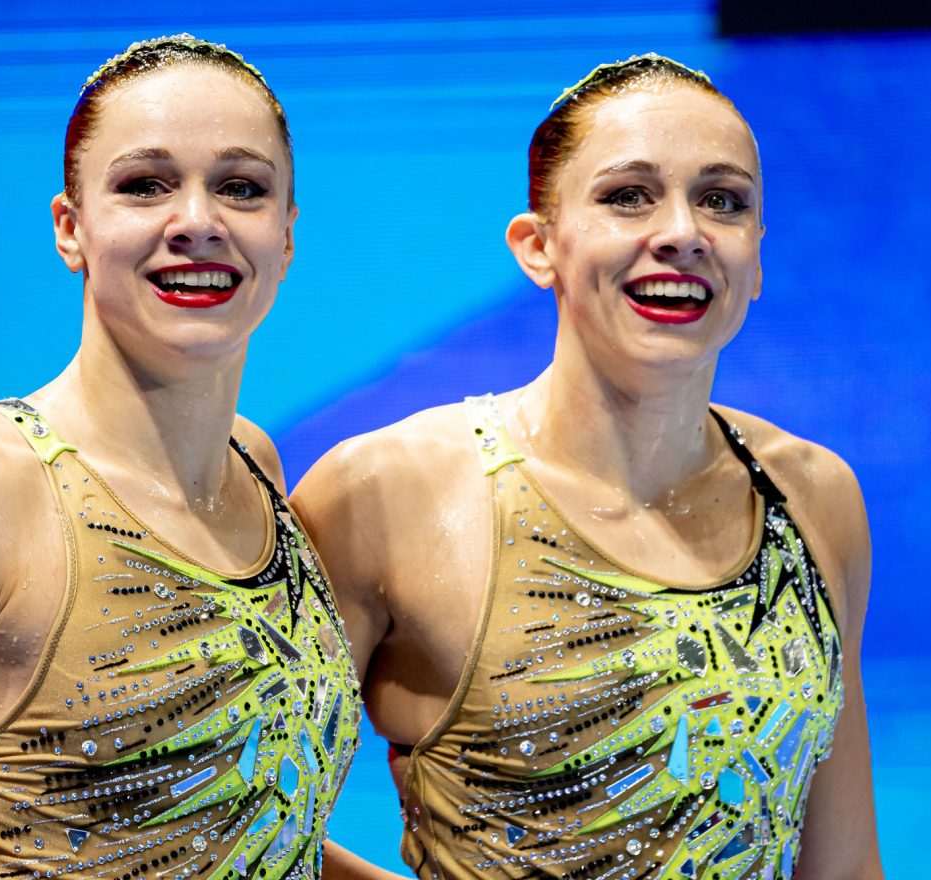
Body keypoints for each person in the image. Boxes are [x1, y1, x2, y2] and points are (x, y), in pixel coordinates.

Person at [297, 55, 883, 879]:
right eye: (627, 196)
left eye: (723, 201)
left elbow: (847, 863)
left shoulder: (813, 496)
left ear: (754, 259)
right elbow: (245, 830)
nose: (682, 232)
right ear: (539, 248)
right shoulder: (387, 494)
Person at [0, 35, 361, 880]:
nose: (198, 223)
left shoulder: (253, 468)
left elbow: (237, 827)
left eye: (241, 188)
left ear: (285, 237)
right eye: (146, 185)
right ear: (71, 228)